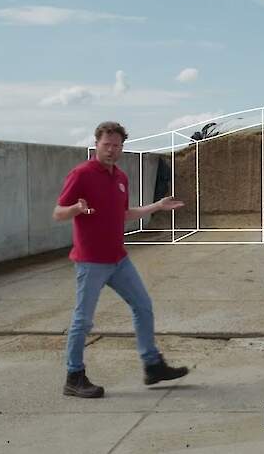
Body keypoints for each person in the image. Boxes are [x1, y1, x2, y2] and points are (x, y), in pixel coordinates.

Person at [53, 121, 189, 398]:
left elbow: (124, 215)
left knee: (143, 306)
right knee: (83, 321)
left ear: (122, 148)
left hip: (118, 260)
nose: (111, 150)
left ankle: (153, 366)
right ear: (96, 144)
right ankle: (74, 376)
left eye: (117, 146)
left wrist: (157, 206)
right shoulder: (81, 174)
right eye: (107, 145)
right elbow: (58, 213)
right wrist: (76, 208)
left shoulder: (120, 178)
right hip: (91, 262)